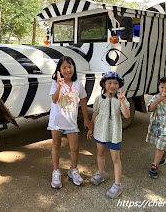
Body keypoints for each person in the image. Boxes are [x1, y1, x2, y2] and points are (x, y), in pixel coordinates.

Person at [48, 56, 91, 189]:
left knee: (74, 148)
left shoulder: (78, 83)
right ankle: (56, 171)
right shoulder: (56, 83)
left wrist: (86, 119)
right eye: (64, 67)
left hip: (71, 122)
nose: (68, 69)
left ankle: (73, 170)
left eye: (70, 66)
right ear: (59, 70)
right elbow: (54, 100)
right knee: (56, 145)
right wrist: (60, 86)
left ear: (74, 68)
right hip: (57, 121)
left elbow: (83, 100)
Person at [87, 71, 130, 199]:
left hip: (114, 133)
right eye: (109, 83)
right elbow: (95, 113)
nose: (112, 85)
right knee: (100, 153)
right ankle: (101, 173)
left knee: (115, 159)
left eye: (115, 83)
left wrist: (122, 102)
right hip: (100, 131)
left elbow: (127, 115)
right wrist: (91, 128)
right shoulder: (98, 99)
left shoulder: (121, 99)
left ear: (119, 85)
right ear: (104, 84)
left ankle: (117, 185)